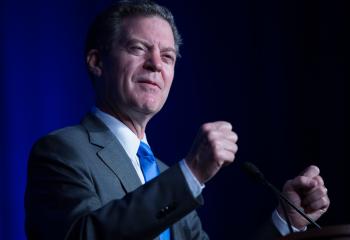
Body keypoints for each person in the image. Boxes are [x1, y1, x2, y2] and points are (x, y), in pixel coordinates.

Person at [25, 1, 330, 239]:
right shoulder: (61, 151)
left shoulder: (163, 174)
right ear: (96, 62)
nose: (156, 64)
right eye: (138, 48)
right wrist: (191, 173)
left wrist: (285, 220)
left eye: (168, 56)